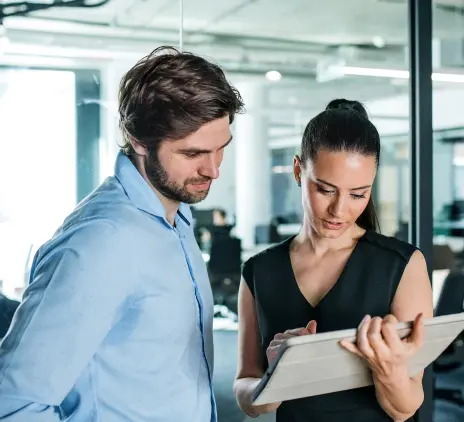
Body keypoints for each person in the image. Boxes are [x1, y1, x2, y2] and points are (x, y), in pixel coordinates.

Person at [0, 46, 244, 422]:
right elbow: (15, 402)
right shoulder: (101, 242)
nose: (213, 170)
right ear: (139, 140)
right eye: (193, 153)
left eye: (220, 149)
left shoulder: (176, 220)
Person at [234, 99, 433, 422]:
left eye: (358, 194)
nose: (339, 211)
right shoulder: (259, 271)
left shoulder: (402, 265)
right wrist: (276, 377)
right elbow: (246, 392)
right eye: (325, 190)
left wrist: (387, 368)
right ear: (299, 171)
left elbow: (405, 408)